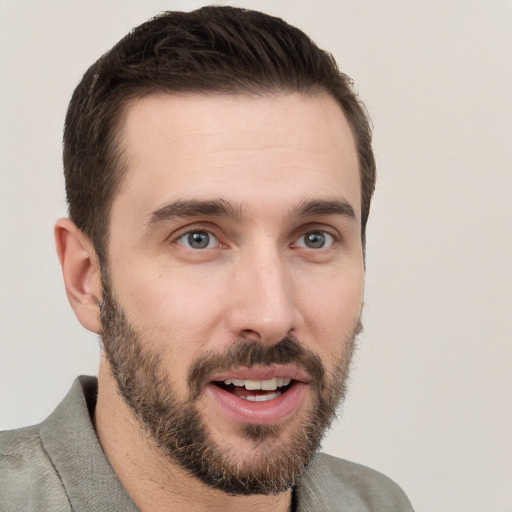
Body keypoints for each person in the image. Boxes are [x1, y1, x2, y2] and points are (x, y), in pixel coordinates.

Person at [0, 6, 414, 511]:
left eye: (314, 239)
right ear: (87, 278)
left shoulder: (378, 504)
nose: (270, 315)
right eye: (198, 238)